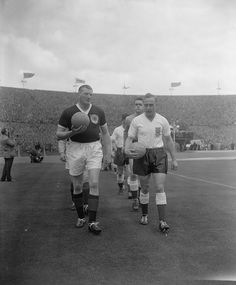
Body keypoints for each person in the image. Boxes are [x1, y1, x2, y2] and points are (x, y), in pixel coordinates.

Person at [56, 84, 111, 235]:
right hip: (75, 148)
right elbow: (59, 134)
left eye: (91, 94)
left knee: (93, 183)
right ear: (79, 94)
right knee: (78, 187)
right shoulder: (69, 112)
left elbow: (105, 134)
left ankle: (92, 222)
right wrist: (71, 133)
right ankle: (81, 217)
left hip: (94, 147)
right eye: (86, 94)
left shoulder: (98, 111)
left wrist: (108, 153)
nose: (89, 96)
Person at [125, 93, 178, 233]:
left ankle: (162, 221)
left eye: (151, 105)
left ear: (155, 105)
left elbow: (168, 140)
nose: (148, 107)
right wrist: (126, 149)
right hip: (142, 155)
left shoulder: (163, 120)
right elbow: (130, 138)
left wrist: (174, 158)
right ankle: (144, 214)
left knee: (160, 187)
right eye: (146, 105)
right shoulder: (137, 121)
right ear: (143, 105)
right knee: (145, 187)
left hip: (159, 154)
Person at [58, 138, 89, 213]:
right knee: (75, 182)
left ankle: (86, 204)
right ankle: (75, 202)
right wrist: (62, 152)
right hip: (72, 154)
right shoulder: (67, 126)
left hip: (87, 152)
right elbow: (61, 138)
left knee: (86, 180)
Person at [123, 97, 144, 209]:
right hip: (133, 148)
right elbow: (126, 133)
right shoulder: (129, 119)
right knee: (133, 174)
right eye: (136, 104)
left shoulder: (147, 118)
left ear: (144, 106)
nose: (138, 106)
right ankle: (135, 200)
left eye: (140, 104)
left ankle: (142, 198)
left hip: (145, 148)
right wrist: (124, 146)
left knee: (144, 176)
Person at [111, 113, 130, 194]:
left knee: (129, 171)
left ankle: (130, 191)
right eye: (125, 120)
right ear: (122, 120)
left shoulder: (131, 129)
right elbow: (112, 141)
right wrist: (116, 150)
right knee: (120, 171)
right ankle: (121, 187)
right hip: (120, 151)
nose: (126, 122)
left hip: (129, 151)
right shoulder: (117, 129)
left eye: (128, 120)